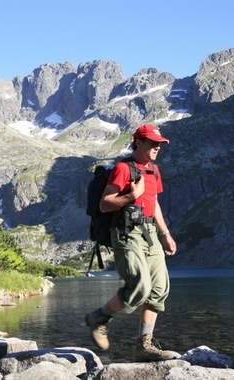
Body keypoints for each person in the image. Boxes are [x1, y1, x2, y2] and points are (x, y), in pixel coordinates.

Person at [84, 124, 178, 361]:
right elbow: (104, 204)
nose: (157, 147)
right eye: (152, 143)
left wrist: (165, 234)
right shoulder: (123, 169)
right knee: (139, 286)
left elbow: (154, 203)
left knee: (159, 289)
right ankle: (99, 318)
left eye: (160, 144)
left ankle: (144, 345)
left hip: (150, 233)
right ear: (139, 143)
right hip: (126, 232)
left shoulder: (154, 170)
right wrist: (130, 196)